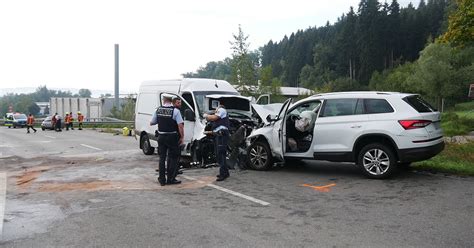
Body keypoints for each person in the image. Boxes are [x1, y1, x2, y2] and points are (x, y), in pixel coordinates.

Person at [150, 95, 184, 186]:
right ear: (171, 101)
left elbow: (152, 122)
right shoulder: (175, 111)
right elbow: (180, 125)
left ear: (163, 100)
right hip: (172, 136)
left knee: (162, 158)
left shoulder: (158, 110)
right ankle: (170, 179)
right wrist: (182, 137)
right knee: (172, 158)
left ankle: (162, 180)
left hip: (161, 136)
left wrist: (161, 120)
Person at [204, 104, 230, 181]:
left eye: (216, 109)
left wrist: (206, 115)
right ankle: (225, 172)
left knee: (220, 153)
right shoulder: (221, 114)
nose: (215, 111)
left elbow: (214, 117)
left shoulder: (222, 110)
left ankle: (223, 174)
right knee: (219, 154)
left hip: (221, 135)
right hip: (219, 135)